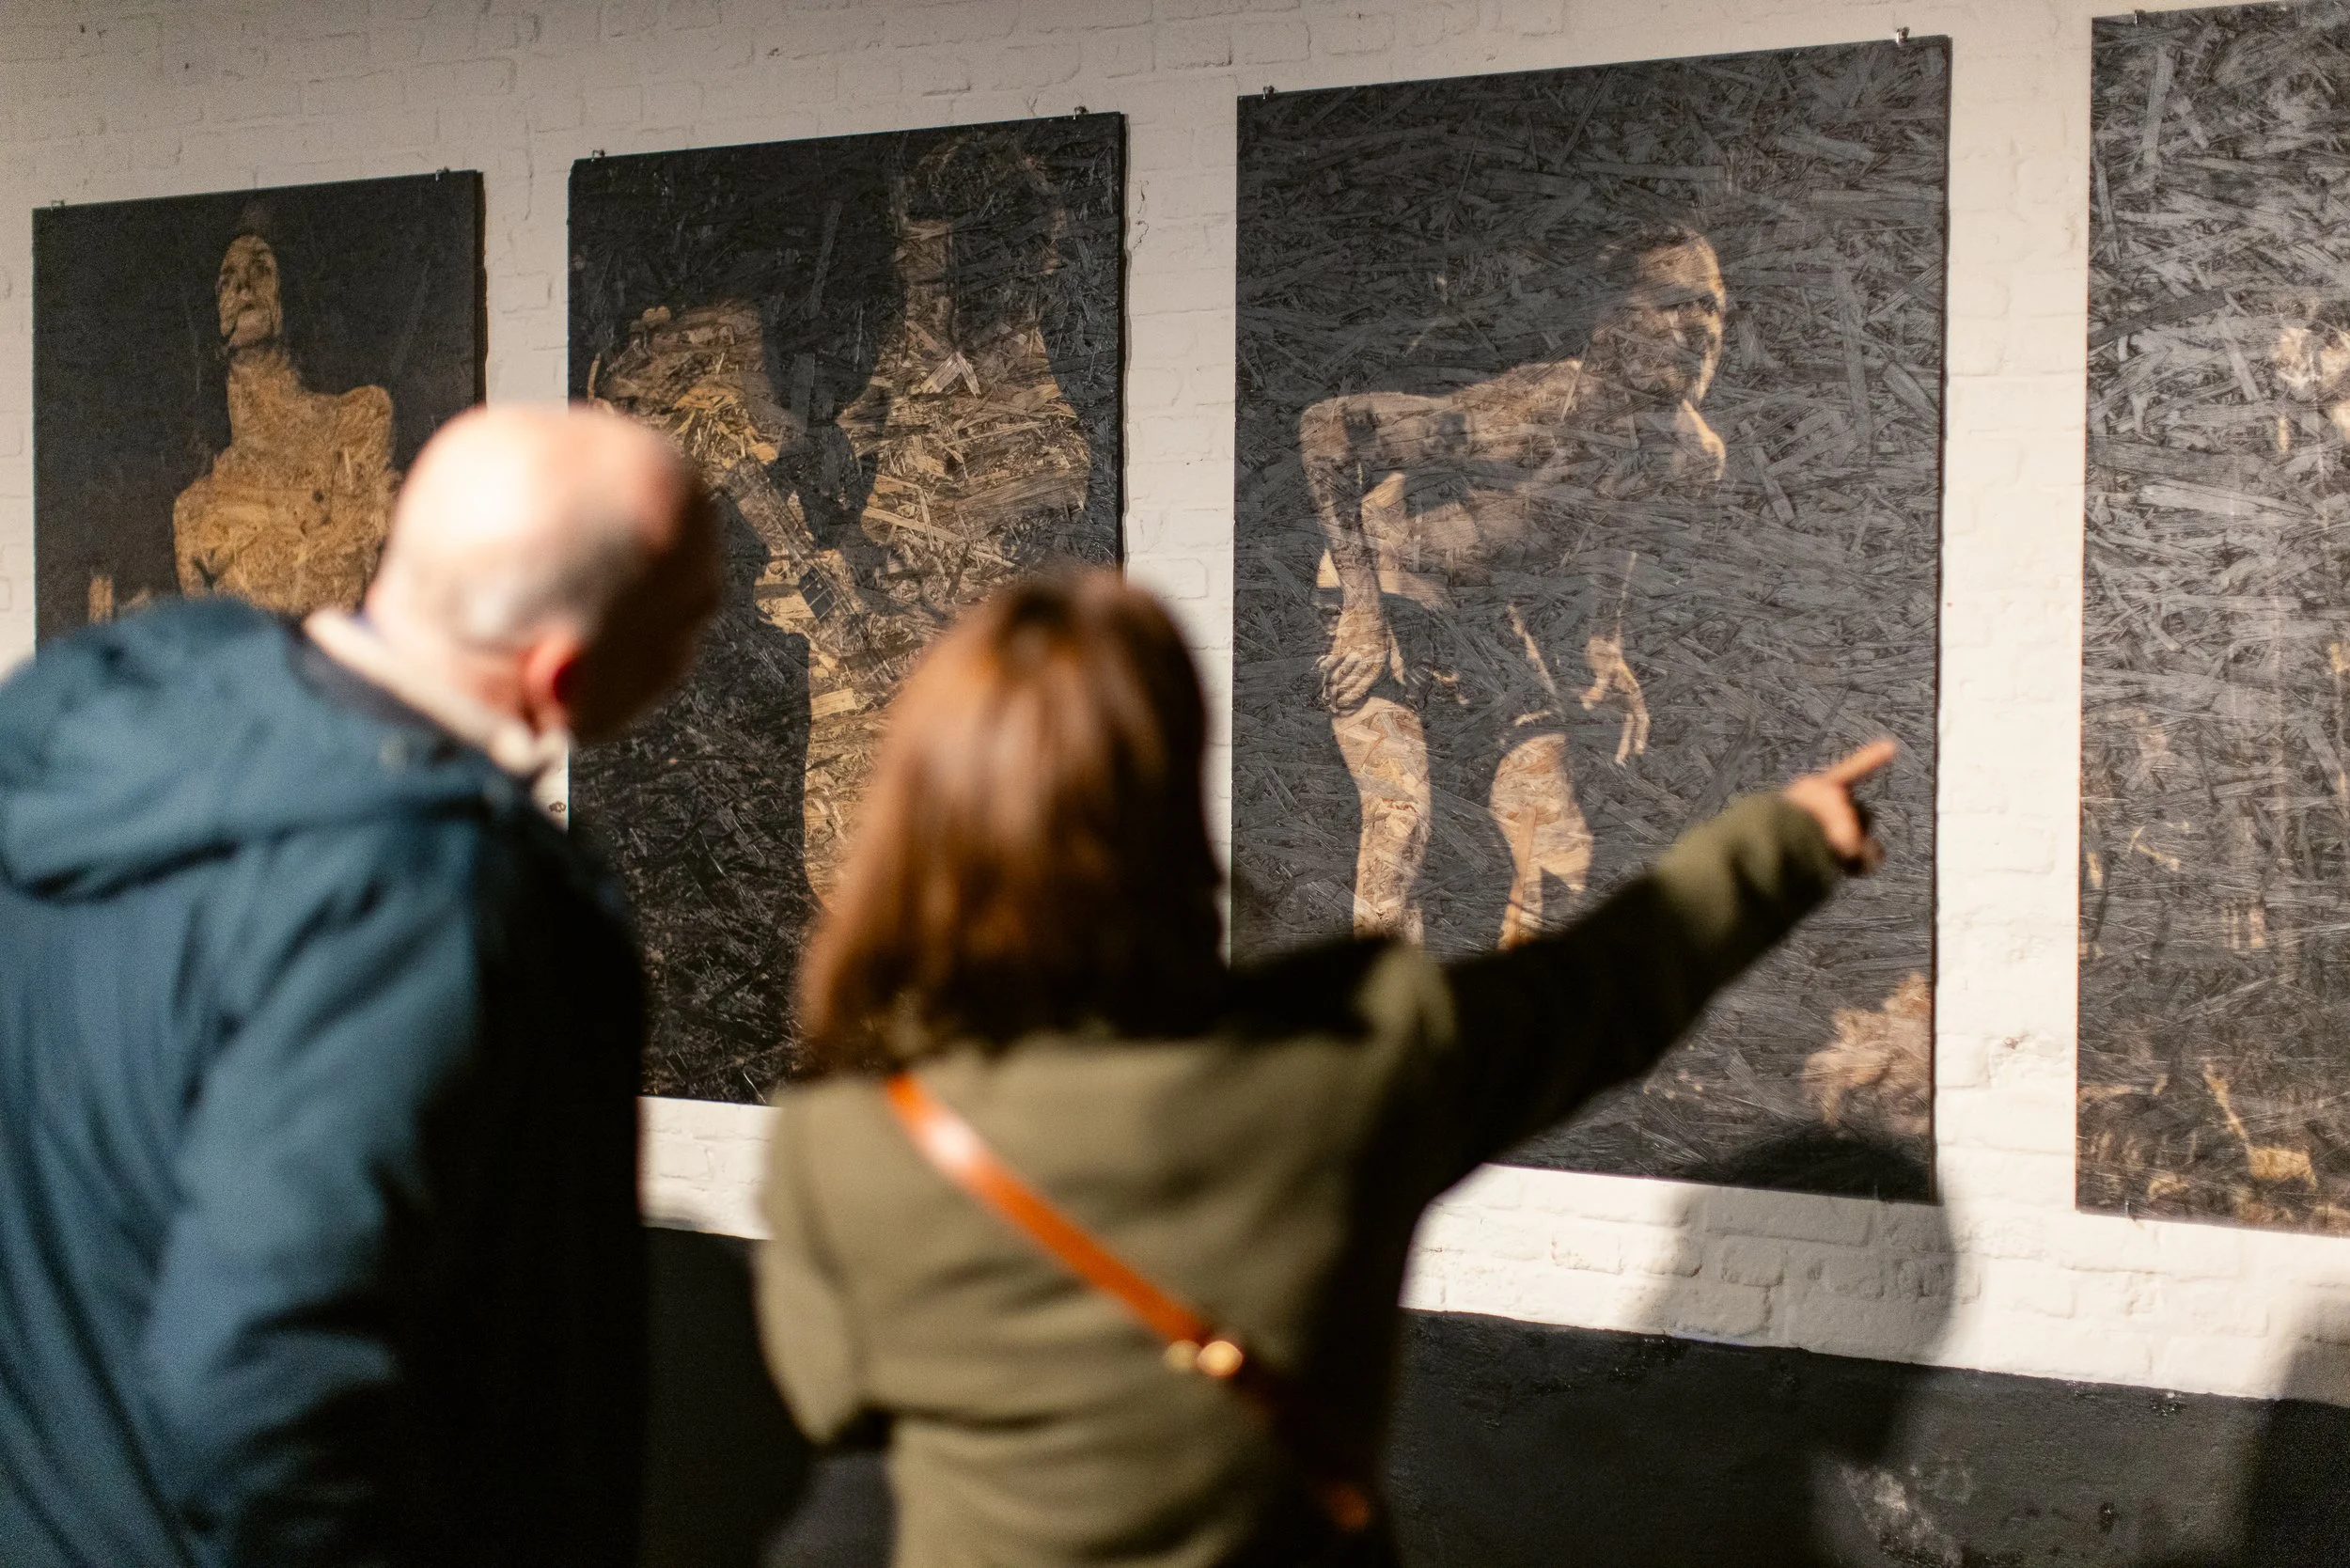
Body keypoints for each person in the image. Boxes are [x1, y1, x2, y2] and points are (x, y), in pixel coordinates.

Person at [754, 569, 1893, 1568]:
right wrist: (1785, 841)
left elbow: (834, 1398)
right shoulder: (1345, 1064)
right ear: (1170, 799)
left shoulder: (846, 1139)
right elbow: (1604, 989)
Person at [0, 405, 721, 1567]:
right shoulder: (421, 894)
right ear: (563, 673)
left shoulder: (84, 733)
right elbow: (264, 1374)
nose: (698, 654)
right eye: (689, 625)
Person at [1300, 224, 1728, 947]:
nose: (1700, 326)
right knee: (1400, 820)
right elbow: (1326, 431)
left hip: (1479, 610)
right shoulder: (1522, 419)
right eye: (1676, 303)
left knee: (1556, 834)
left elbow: (1619, 516)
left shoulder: (1688, 452)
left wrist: (1604, 642)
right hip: (1390, 574)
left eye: (1714, 308)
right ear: (1612, 322)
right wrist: (1364, 614)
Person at [170, 215, 401, 617]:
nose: (244, 287)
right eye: (227, 280)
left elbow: (353, 578)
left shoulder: (358, 420)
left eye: (262, 269)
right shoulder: (195, 510)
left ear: (290, 292)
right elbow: (211, 656)